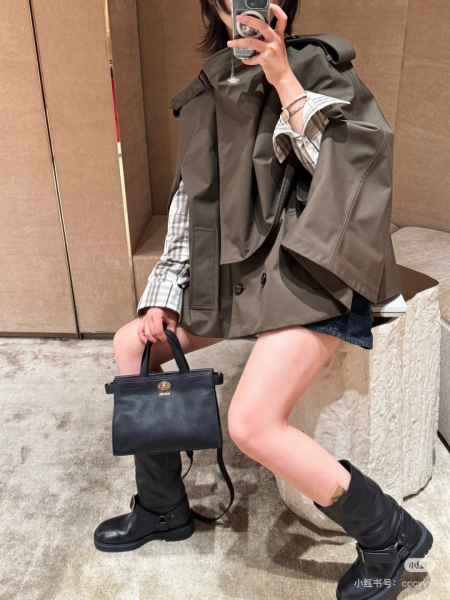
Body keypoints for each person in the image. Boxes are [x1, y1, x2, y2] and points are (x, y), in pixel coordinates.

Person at [94, 2, 433, 598]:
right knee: (133, 344)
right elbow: (188, 209)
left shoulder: (319, 68)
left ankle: (389, 534)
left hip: (310, 275)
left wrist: (284, 80)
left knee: (250, 423)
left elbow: (346, 179)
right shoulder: (206, 92)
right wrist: (163, 298)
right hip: (242, 278)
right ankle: (162, 506)